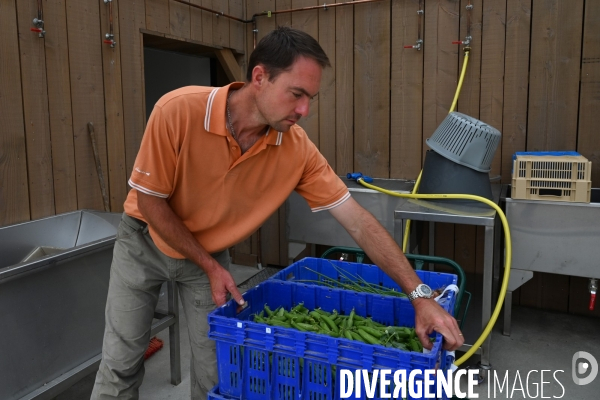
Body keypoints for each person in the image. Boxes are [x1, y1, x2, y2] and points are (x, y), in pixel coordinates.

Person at [91, 26, 463, 400]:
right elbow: (151, 202)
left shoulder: (297, 149)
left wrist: (420, 296)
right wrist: (209, 264)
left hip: (207, 256)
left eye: (310, 98)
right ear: (259, 78)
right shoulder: (177, 110)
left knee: (216, 372)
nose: (304, 110)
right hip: (143, 240)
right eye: (297, 94)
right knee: (121, 363)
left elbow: (360, 223)